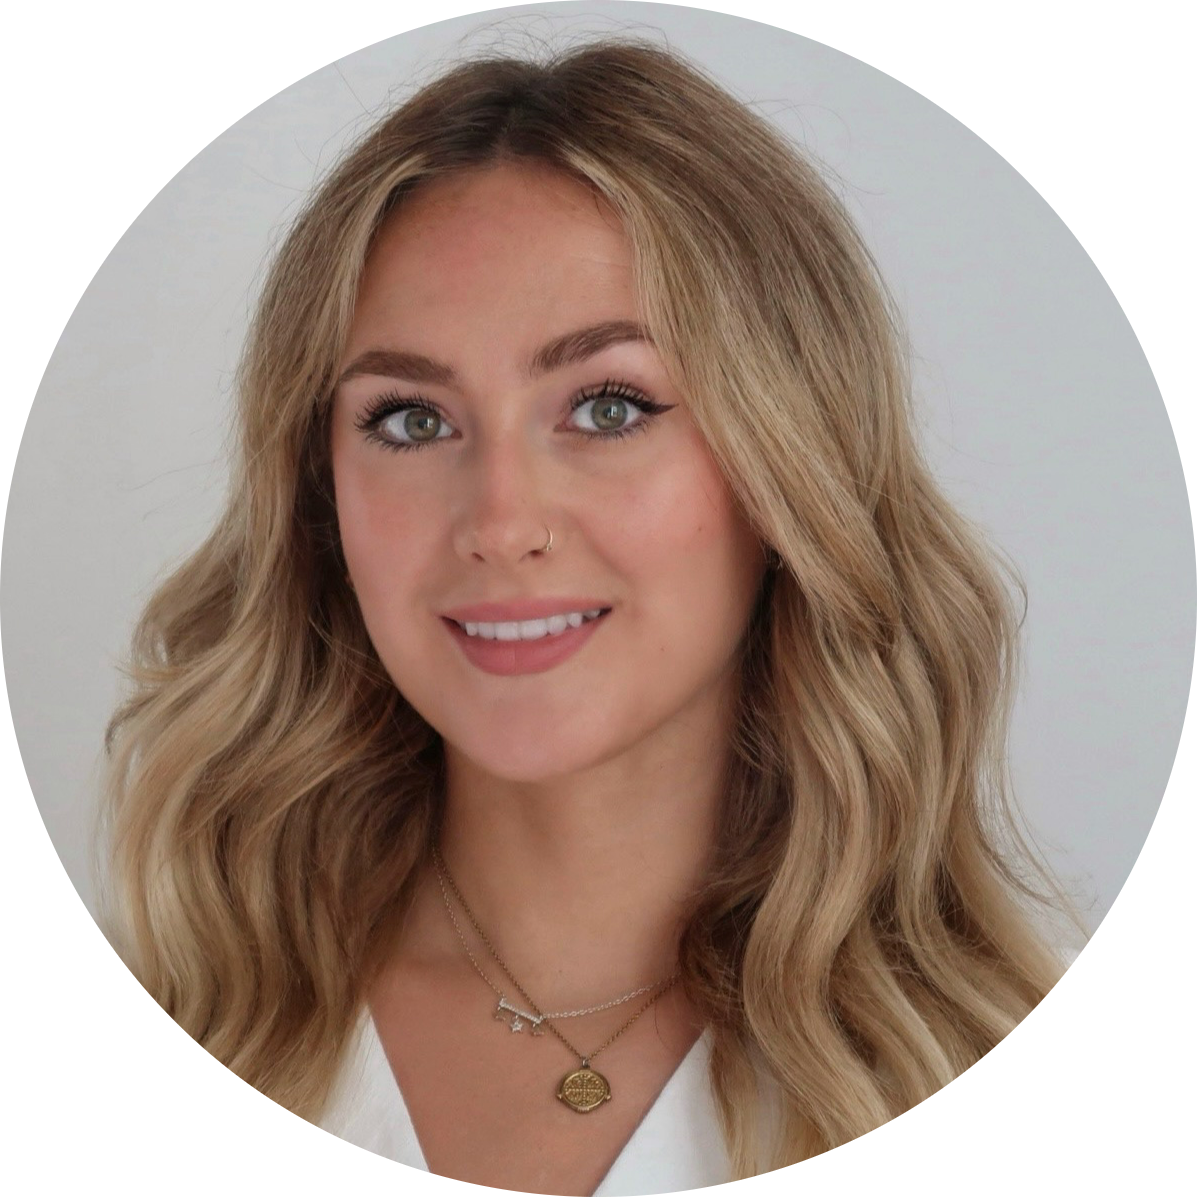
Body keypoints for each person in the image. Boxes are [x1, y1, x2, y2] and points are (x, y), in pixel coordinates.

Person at [100, 37, 1084, 1193]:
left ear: (787, 466)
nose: (501, 521)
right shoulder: (202, 1007)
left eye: (609, 406)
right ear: (320, 496)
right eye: (412, 420)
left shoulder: (969, 1042)